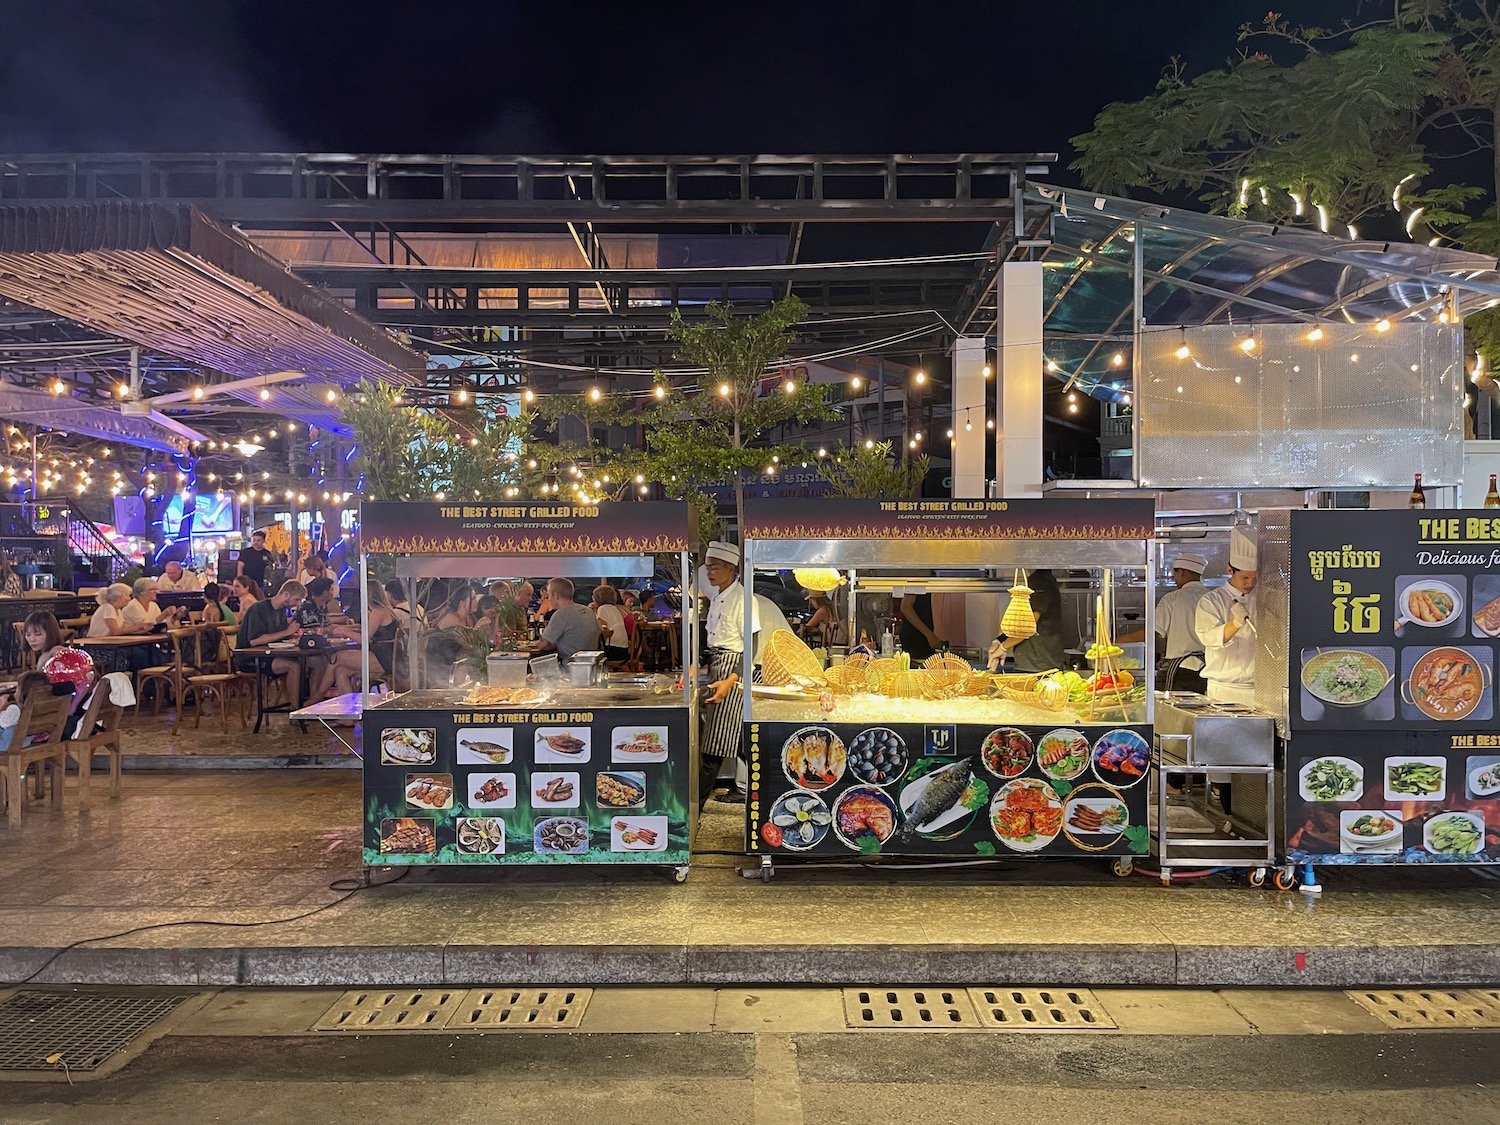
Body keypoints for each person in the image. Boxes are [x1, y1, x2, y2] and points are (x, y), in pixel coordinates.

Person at [1194, 527, 1259, 811]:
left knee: (1255, 760)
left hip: (1258, 690)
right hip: (1224, 689)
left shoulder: (1263, 598)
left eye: (1254, 579)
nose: (1249, 584)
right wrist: (1233, 624)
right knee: (1223, 760)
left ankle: (1249, 813)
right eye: (1244, 577)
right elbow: (1207, 637)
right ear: (1229, 570)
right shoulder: (1211, 600)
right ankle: (1225, 811)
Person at [697, 541, 761, 809]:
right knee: (734, 739)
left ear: (731, 569)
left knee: (715, 742)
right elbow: (714, 640)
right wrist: (697, 665)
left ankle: (696, 806)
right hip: (718, 665)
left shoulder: (744, 599)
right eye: (708, 567)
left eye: (715, 567)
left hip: (734, 671)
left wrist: (731, 680)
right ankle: (747, 788)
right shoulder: (717, 597)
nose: (709, 573)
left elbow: (752, 645)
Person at [234, 580, 308, 705]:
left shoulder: (280, 611)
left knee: (309, 663)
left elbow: (282, 636)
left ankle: (308, 704)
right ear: (285, 595)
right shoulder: (258, 609)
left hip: (270, 655)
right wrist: (287, 632)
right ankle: (296, 711)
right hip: (251, 658)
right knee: (294, 666)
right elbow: (254, 641)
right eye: (296, 600)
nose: (298, 604)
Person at [995, 569, 1067, 673]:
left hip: (1038, 665)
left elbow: (1028, 624)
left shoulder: (1040, 580)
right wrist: (999, 640)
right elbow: (1022, 623)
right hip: (1036, 664)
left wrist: (1003, 647)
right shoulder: (1040, 579)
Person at [1155, 552, 1210, 662]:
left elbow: (1154, 631)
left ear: (1181, 572)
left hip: (1180, 665)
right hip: (1209, 664)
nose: (1175, 578)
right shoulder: (1212, 597)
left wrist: (1121, 640)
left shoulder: (1172, 598)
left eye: (1175, 574)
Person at [534, 578, 602, 663]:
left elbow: (542, 645)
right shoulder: (587, 610)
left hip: (569, 667)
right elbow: (599, 633)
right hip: (591, 664)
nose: (549, 599)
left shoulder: (561, 614)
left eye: (549, 596)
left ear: (556, 595)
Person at [0, 671, 55, 751]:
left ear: (23, 691)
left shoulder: (15, 709)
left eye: (18, 687)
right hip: (25, 742)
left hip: (5, 745)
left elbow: (3, 723)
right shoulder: (41, 708)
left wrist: (2, 707)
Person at [895, 588, 941, 660]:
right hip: (917, 638)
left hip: (928, 637)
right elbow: (905, 607)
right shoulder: (921, 578)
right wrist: (930, 636)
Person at [594, 585, 629, 664]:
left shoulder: (602, 608)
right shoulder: (614, 608)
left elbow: (602, 630)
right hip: (624, 650)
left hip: (612, 650)